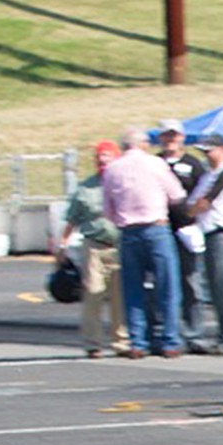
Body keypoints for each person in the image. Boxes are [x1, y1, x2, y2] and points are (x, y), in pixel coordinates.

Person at [99, 126, 187, 358]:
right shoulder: (156, 164)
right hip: (156, 227)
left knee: (133, 290)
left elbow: (107, 210)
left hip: (128, 231)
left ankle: (138, 342)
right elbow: (177, 195)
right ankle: (170, 340)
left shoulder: (112, 169)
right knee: (167, 287)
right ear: (143, 144)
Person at [60, 140, 130, 359]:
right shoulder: (85, 188)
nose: (102, 160)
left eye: (107, 156)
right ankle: (93, 343)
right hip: (94, 246)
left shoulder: (125, 184)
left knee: (120, 296)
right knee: (93, 293)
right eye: (99, 157)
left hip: (120, 245)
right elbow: (71, 219)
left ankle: (122, 341)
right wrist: (63, 244)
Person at [187, 137, 223, 353]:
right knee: (216, 289)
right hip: (209, 234)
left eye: (210, 151)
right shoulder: (209, 174)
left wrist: (189, 212)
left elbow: (202, 203)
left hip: (222, 234)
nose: (206, 155)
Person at [155, 120, 209, 341]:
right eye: (166, 136)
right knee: (160, 281)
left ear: (182, 138)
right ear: (160, 138)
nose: (170, 140)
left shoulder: (193, 164)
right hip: (159, 229)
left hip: (185, 230)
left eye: (174, 135)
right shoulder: (154, 163)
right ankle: (163, 329)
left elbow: (203, 194)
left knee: (190, 280)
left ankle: (193, 330)